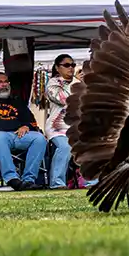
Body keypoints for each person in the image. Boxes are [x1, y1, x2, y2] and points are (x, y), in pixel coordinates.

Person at [0, 70, 44, 189]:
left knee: (39, 138)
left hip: (17, 134)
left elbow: (31, 120)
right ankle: (12, 178)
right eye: (0, 82)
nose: (4, 84)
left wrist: (27, 126)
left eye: (6, 82)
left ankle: (29, 180)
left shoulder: (17, 102)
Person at [31, 54, 78, 189]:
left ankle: (92, 182)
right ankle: (57, 183)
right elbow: (65, 100)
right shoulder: (53, 83)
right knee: (65, 147)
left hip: (77, 127)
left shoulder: (79, 83)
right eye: (67, 65)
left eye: (73, 65)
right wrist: (76, 84)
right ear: (57, 68)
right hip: (58, 126)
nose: (71, 68)